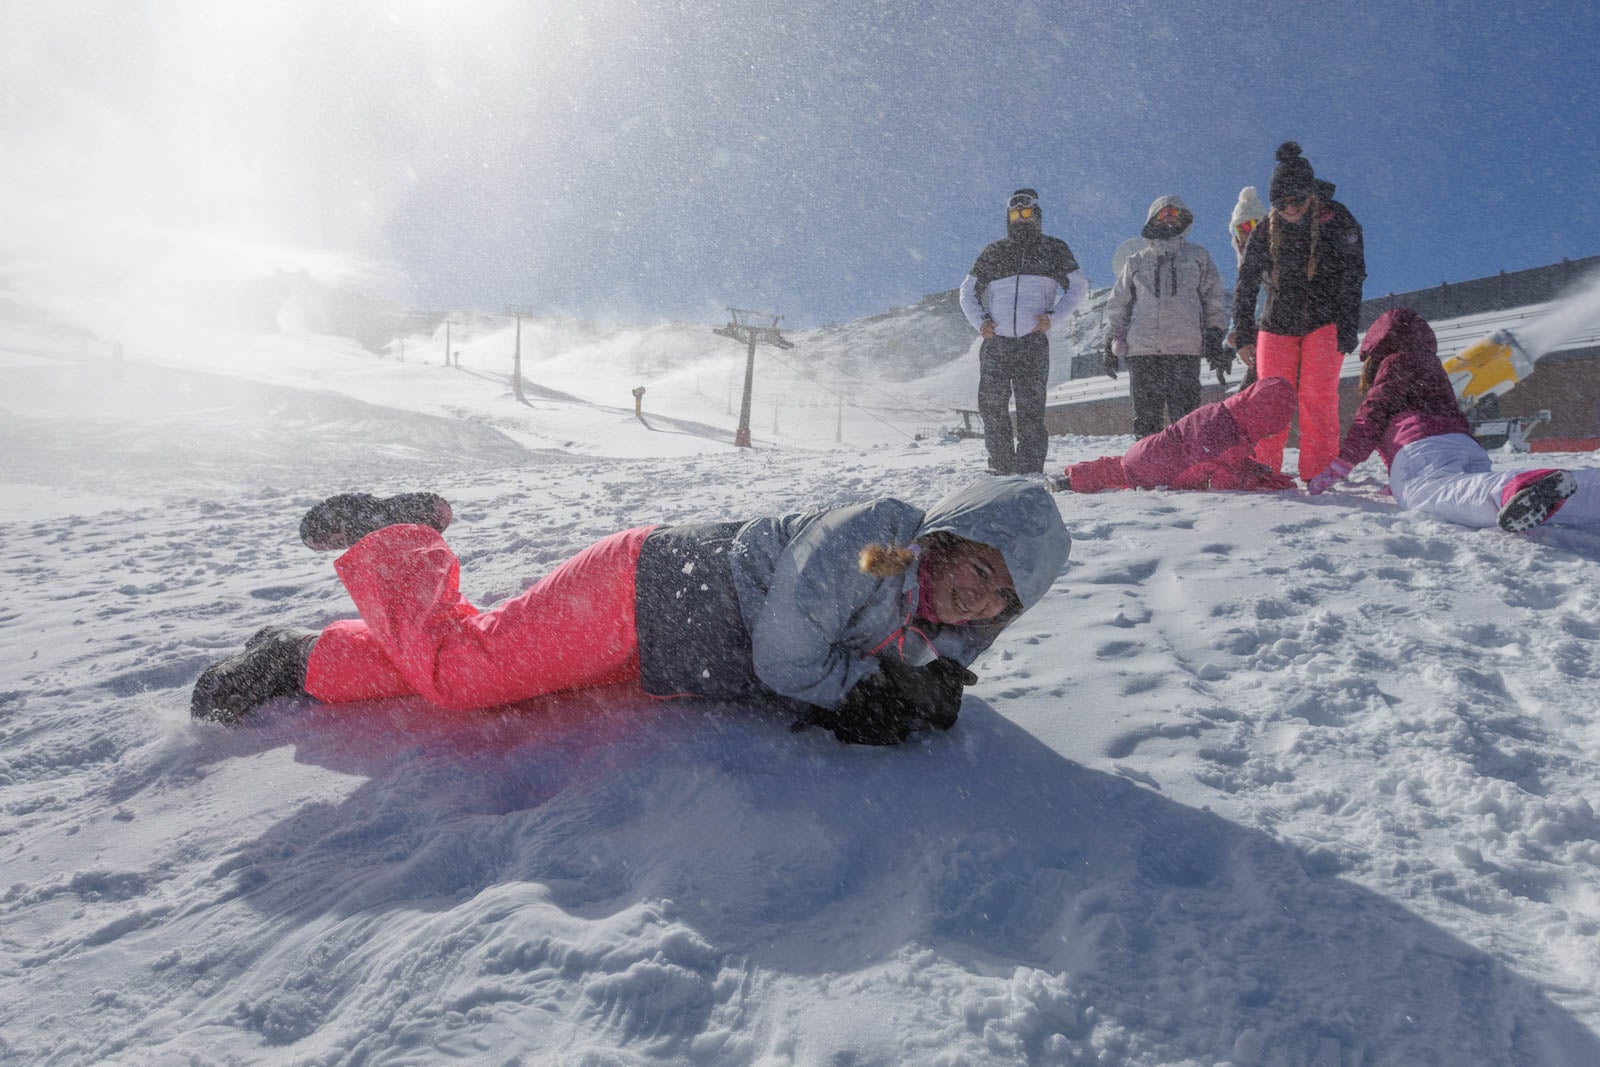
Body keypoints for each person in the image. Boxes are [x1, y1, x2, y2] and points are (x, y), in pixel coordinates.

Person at [191, 479, 1072, 746]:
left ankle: (297, 660)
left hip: (667, 651)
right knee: (466, 676)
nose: (976, 590)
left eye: (1000, 590)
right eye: (976, 561)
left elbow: (881, 650)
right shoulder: (882, 548)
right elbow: (788, 651)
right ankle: (402, 538)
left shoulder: (924, 613)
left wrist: (908, 681)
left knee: (486, 672)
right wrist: (864, 693)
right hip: (645, 589)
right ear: (950, 537)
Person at [1306, 308, 1600, 531]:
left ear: (1376, 349)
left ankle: (1513, 487)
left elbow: (1371, 416)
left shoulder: (1394, 363)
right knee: (1470, 486)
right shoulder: (1434, 367)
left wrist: (1340, 466)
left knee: (1431, 494)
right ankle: (1592, 487)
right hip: (1462, 445)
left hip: (1422, 447)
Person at [1233, 142, 1366, 482]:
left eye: (1297, 200)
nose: (1290, 208)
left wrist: (1348, 325)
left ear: (1311, 193)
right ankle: (1263, 469)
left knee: (1316, 397)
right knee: (1269, 400)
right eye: (1280, 202)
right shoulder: (1265, 229)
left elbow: (1353, 274)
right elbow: (1246, 283)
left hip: (1325, 319)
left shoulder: (1338, 219)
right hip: (1277, 323)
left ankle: (1319, 472)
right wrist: (1245, 335)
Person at [959, 188, 1088, 475]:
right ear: (1008, 217)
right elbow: (967, 290)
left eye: (1027, 213)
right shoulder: (994, 251)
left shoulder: (1054, 248)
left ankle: (1030, 469)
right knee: (992, 407)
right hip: (997, 342)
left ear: (1037, 215)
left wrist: (1054, 317)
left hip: (1033, 342)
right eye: (1015, 214)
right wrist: (980, 321)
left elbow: (1078, 286)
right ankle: (1001, 466)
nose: (1020, 218)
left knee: (1031, 408)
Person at [1103, 196, 1230, 437]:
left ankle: (1187, 473)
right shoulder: (1136, 261)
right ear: (1153, 218)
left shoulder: (1198, 257)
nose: (1170, 219)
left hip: (1185, 350)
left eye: (1176, 214)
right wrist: (1109, 342)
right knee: (1146, 421)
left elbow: (1213, 299)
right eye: (1164, 214)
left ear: (1185, 219)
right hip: (1143, 352)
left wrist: (1214, 335)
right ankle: (1146, 473)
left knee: (1186, 422)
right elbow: (1119, 304)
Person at [1048, 377, 1297, 493]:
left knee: (1120, 467)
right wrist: (1262, 481)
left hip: (1152, 450)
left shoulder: (1223, 412)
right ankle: (1070, 483)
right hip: (1159, 468)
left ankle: (1072, 476)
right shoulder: (1229, 437)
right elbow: (1226, 478)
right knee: (1126, 473)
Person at [1225, 186, 1269, 391]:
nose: (1246, 232)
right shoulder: (1243, 268)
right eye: (1239, 228)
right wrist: (1235, 333)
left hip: (1276, 333)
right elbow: (1243, 304)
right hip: (1257, 340)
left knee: (1253, 395)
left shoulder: (1276, 261)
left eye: (1252, 224)